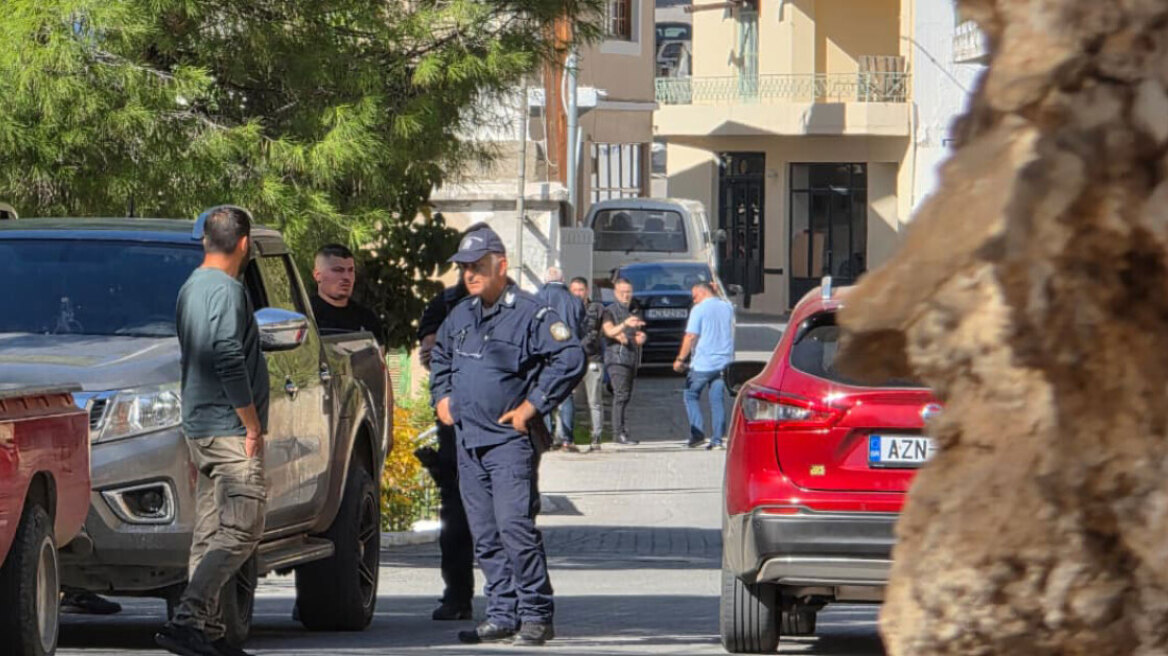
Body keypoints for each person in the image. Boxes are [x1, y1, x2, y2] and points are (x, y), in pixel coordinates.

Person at [430, 224, 585, 646]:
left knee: (514, 527)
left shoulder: (531, 313)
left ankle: (536, 613)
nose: (470, 275)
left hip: (508, 443)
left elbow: (570, 357)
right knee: (483, 533)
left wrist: (531, 406)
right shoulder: (461, 313)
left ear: (502, 265)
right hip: (468, 441)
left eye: (478, 267)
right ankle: (502, 612)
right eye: (464, 269)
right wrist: (442, 397)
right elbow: (440, 354)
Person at [156, 205, 268, 656]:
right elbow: (225, 354)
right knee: (243, 527)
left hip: (200, 427)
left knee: (209, 531)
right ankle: (187, 619)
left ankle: (211, 631)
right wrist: (252, 423)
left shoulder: (191, 287)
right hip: (227, 429)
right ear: (244, 243)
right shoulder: (225, 290)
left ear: (205, 240)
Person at [415, 279, 475, 622]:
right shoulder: (446, 303)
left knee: (509, 518)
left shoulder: (517, 303)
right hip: (455, 419)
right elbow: (428, 349)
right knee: (455, 513)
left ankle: (515, 601)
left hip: (504, 420)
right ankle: (457, 595)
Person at [674, 282, 736, 450]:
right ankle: (717, 440)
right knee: (717, 400)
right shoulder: (727, 307)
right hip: (724, 362)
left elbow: (690, 336)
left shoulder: (699, 310)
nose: (694, 300)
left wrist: (680, 359)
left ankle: (697, 434)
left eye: (695, 296)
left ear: (702, 293)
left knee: (690, 394)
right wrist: (716, 289)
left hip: (703, 363)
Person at [537, 267, 585, 451]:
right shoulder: (574, 300)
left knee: (543, 393)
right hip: (567, 353)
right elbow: (580, 328)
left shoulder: (537, 298)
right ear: (563, 279)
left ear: (545, 280)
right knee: (566, 395)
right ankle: (567, 439)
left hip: (543, 354)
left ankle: (545, 438)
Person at [601, 278, 647, 446]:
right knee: (620, 395)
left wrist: (640, 337)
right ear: (615, 293)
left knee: (625, 396)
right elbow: (609, 331)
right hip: (616, 358)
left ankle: (622, 430)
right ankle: (618, 433)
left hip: (630, 358)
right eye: (622, 293)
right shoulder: (610, 311)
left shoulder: (633, 310)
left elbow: (635, 334)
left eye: (628, 292)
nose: (626, 295)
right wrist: (624, 325)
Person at [310, 243, 384, 341]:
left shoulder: (366, 318)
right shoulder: (305, 315)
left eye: (350, 271)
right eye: (338, 270)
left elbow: (382, 353)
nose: (346, 277)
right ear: (317, 275)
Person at [569, 277, 606, 452]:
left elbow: (594, 333)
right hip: (573, 362)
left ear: (587, 291)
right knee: (569, 401)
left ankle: (596, 437)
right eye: (574, 290)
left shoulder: (596, 309)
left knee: (594, 401)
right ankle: (566, 438)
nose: (578, 293)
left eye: (581, 290)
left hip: (592, 359)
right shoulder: (566, 309)